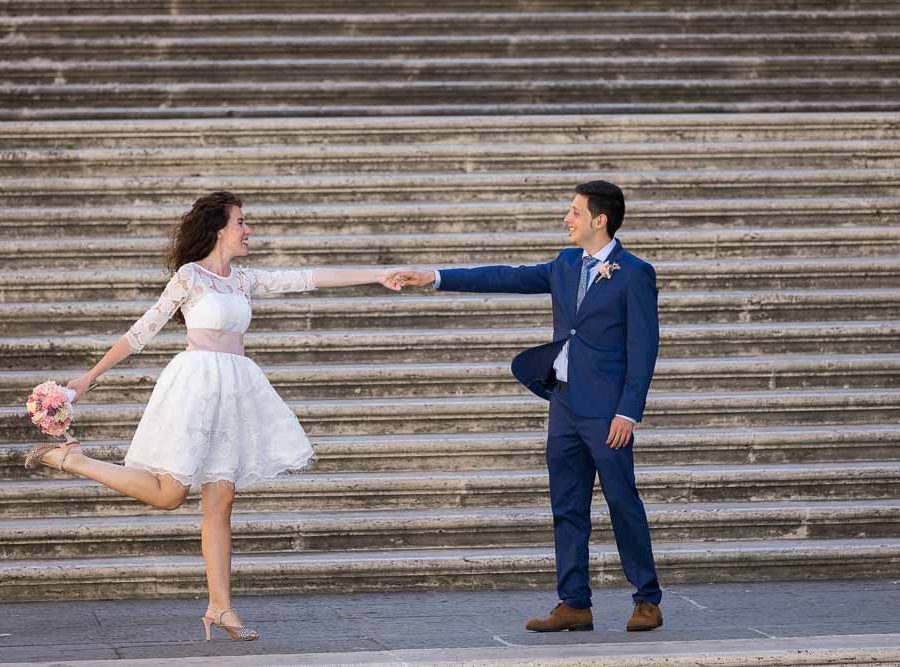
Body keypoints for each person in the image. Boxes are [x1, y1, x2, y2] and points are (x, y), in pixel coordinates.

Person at [24, 191, 404, 641]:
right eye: (242, 222)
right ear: (220, 228)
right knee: (169, 495)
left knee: (221, 501)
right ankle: (73, 459)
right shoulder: (190, 277)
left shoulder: (244, 281)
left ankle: (220, 608)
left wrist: (378, 274)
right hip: (195, 385)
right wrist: (89, 377)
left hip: (236, 388)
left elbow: (308, 277)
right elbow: (141, 331)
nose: (249, 230)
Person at [397, 180, 663, 632]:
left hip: (606, 412)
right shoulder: (564, 264)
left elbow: (644, 347)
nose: (567, 218)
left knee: (622, 501)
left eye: (574, 212)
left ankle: (647, 600)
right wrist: (435, 277)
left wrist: (628, 411)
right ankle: (574, 602)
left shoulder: (634, 273)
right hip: (563, 404)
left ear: (599, 219)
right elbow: (506, 276)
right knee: (567, 505)